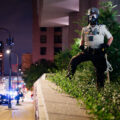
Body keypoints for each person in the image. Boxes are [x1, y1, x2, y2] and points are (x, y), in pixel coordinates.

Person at [67, 7, 113, 90]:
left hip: (98, 52)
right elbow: (82, 39)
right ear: (88, 17)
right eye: (91, 16)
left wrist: (107, 45)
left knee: (100, 73)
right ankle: (68, 79)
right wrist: (81, 46)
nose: (92, 17)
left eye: (94, 15)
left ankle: (100, 91)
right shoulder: (84, 29)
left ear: (97, 16)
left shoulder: (102, 28)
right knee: (74, 60)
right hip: (88, 52)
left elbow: (110, 38)